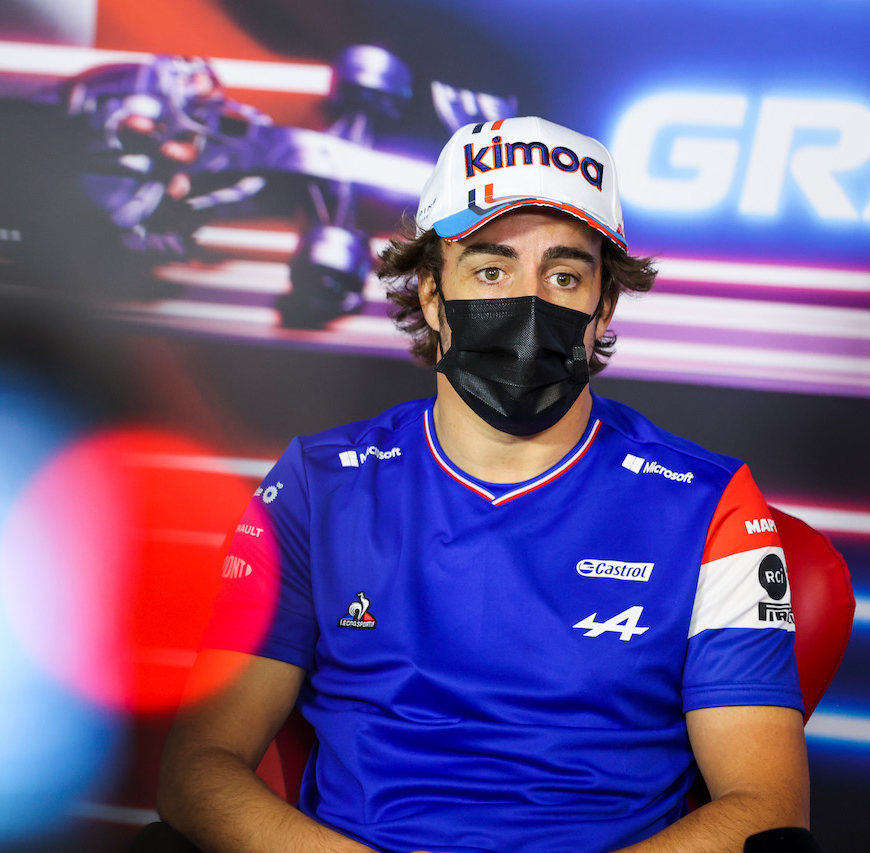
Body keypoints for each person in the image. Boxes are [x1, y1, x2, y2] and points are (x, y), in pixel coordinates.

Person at [154, 116, 809, 853]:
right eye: (491, 270)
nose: (529, 305)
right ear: (432, 294)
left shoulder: (710, 501)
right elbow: (197, 769)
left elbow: (766, 806)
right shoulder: (316, 484)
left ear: (603, 310)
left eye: (564, 275)